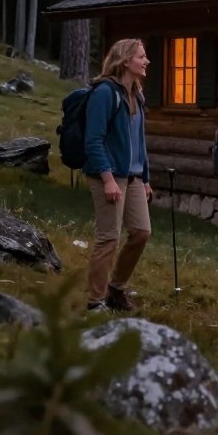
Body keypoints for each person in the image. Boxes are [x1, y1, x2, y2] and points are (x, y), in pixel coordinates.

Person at [83, 38, 153, 313]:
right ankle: (95, 301)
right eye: (141, 57)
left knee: (141, 233)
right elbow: (94, 140)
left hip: (134, 176)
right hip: (109, 176)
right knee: (108, 237)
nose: (146, 61)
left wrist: (145, 178)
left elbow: (139, 141)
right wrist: (107, 178)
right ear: (126, 61)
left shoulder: (137, 94)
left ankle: (116, 289)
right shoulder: (105, 93)